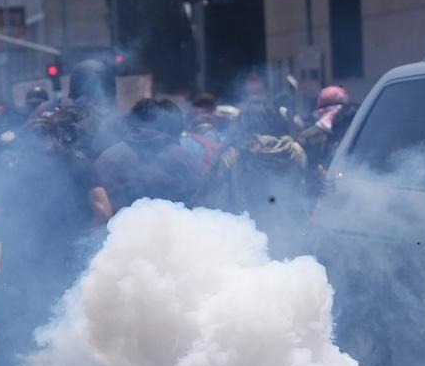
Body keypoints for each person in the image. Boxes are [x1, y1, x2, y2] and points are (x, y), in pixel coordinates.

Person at [0, 102, 107, 366]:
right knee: (61, 339)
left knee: (11, 348)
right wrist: (90, 249)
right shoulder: (80, 165)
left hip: (18, 271)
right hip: (65, 269)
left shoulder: (12, 170)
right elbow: (103, 212)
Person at [214, 102, 311, 254]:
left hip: (248, 236)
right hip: (289, 232)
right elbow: (301, 190)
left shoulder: (233, 155)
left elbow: (222, 202)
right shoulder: (295, 151)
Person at [96, 97, 210, 213]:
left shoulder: (108, 157)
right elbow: (198, 200)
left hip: (118, 229)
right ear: (171, 127)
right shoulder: (181, 157)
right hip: (171, 229)